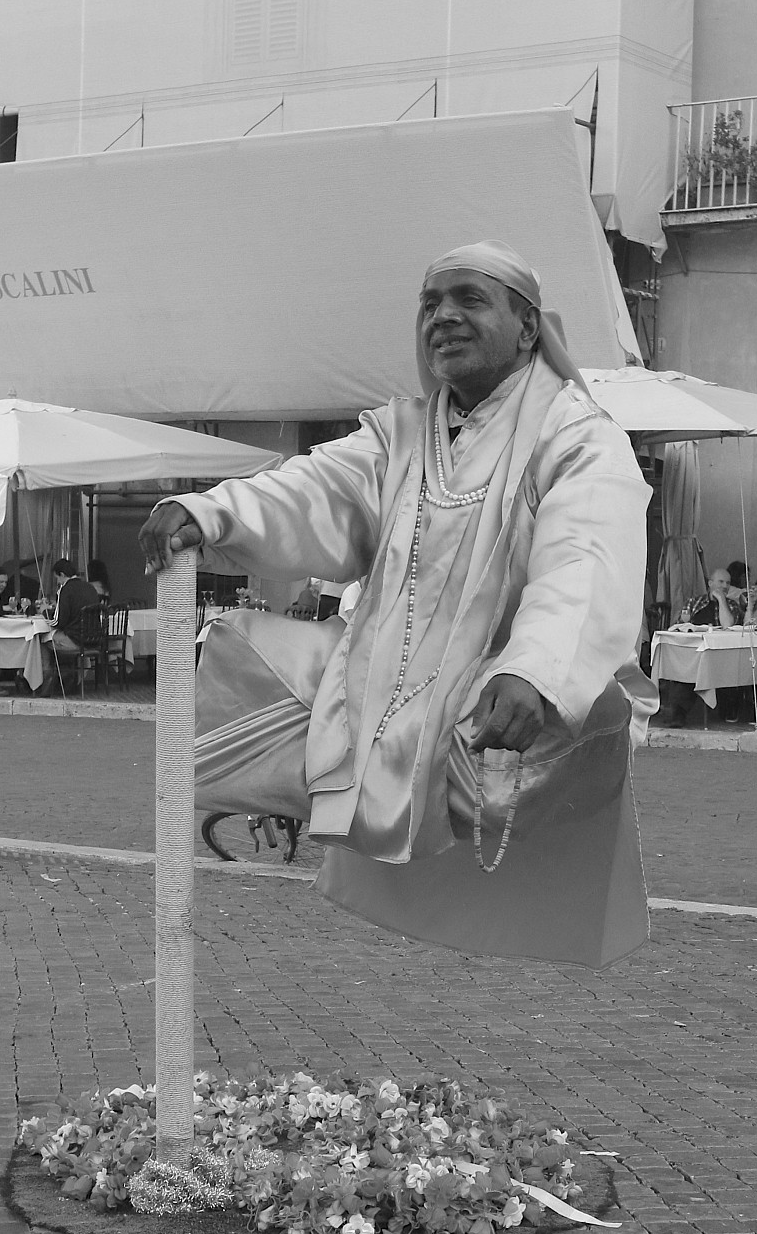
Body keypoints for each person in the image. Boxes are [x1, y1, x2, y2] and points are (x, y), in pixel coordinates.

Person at [137, 238, 652, 966]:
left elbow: (586, 556)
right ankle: (341, 792)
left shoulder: (577, 435)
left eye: (470, 299)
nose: (443, 317)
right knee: (240, 652)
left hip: (496, 695)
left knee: (559, 729)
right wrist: (211, 512)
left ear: (529, 327)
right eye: (431, 304)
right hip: (378, 683)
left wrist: (535, 670)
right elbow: (311, 488)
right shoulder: (399, 436)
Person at [48, 558, 98, 654]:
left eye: (57, 578)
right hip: (94, 640)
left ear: (62, 575)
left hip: (76, 640)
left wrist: (44, 612)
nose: (58, 582)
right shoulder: (90, 587)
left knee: (42, 640)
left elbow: (59, 622)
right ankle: (85, 668)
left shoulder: (65, 590)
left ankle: (46, 669)